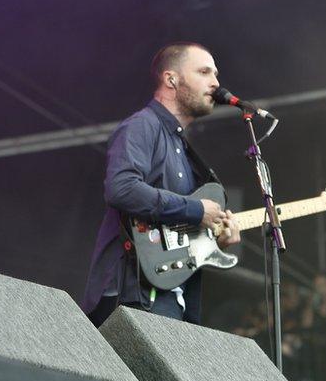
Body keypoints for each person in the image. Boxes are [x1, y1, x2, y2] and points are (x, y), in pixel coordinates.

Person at [81, 42, 242, 326]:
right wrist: (195, 210)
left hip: (170, 295)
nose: (216, 83)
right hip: (136, 294)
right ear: (171, 79)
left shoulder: (181, 146)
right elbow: (121, 188)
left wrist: (215, 237)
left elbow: (176, 226)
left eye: (215, 74)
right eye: (204, 72)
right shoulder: (142, 125)